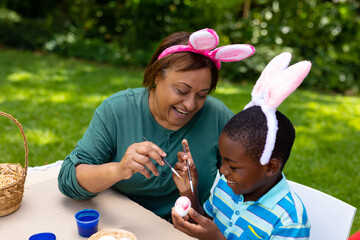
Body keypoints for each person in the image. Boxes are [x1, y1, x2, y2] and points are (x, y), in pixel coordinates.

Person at [57, 28, 255, 221]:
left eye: (202, 95)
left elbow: (254, 177)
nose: (191, 104)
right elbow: (68, 180)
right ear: (157, 76)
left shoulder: (217, 116)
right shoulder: (117, 111)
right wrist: (119, 169)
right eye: (181, 91)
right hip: (120, 228)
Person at [171, 52, 312, 239]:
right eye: (223, 161)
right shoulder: (227, 185)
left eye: (233, 166)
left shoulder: (289, 221)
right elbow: (205, 225)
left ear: (270, 167)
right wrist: (189, 191)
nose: (223, 170)